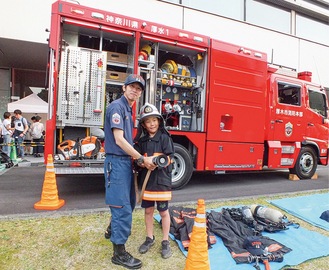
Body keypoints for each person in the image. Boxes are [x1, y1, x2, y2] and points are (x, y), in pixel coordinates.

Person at [104, 74, 156, 269]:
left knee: (129, 201)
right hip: (117, 163)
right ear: (124, 88)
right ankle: (118, 253)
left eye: (139, 88)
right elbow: (119, 140)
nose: (135, 90)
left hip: (124, 163)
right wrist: (140, 158)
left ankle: (111, 229)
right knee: (122, 207)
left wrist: (136, 159)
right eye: (132, 86)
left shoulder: (128, 109)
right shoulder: (117, 107)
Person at [134, 103, 175, 259]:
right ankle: (149, 238)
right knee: (148, 211)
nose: (152, 124)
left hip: (162, 182)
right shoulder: (141, 141)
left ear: (159, 121)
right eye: (148, 121)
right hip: (147, 183)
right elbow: (136, 158)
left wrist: (157, 161)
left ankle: (165, 241)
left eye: (154, 120)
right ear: (143, 124)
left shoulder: (165, 138)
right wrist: (142, 162)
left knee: (164, 212)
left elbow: (170, 158)